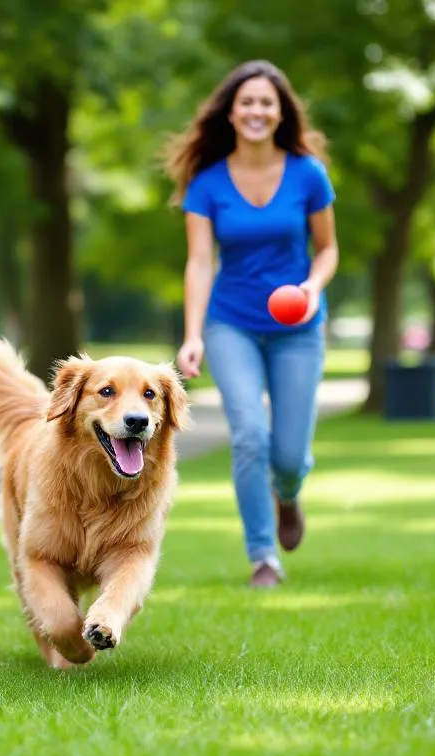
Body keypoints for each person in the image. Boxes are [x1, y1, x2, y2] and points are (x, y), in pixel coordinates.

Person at [162, 59, 339, 589]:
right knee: (248, 437)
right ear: (231, 113)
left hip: (298, 328)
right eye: (248, 102)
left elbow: (328, 250)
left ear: (281, 112)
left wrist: (311, 287)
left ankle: (288, 495)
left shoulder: (308, 174)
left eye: (267, 102)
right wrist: (193, 335)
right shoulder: (208, 183)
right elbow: (199, 261)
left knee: (287, 456)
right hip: (231, 323)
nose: (257, 110)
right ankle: (263, 556)